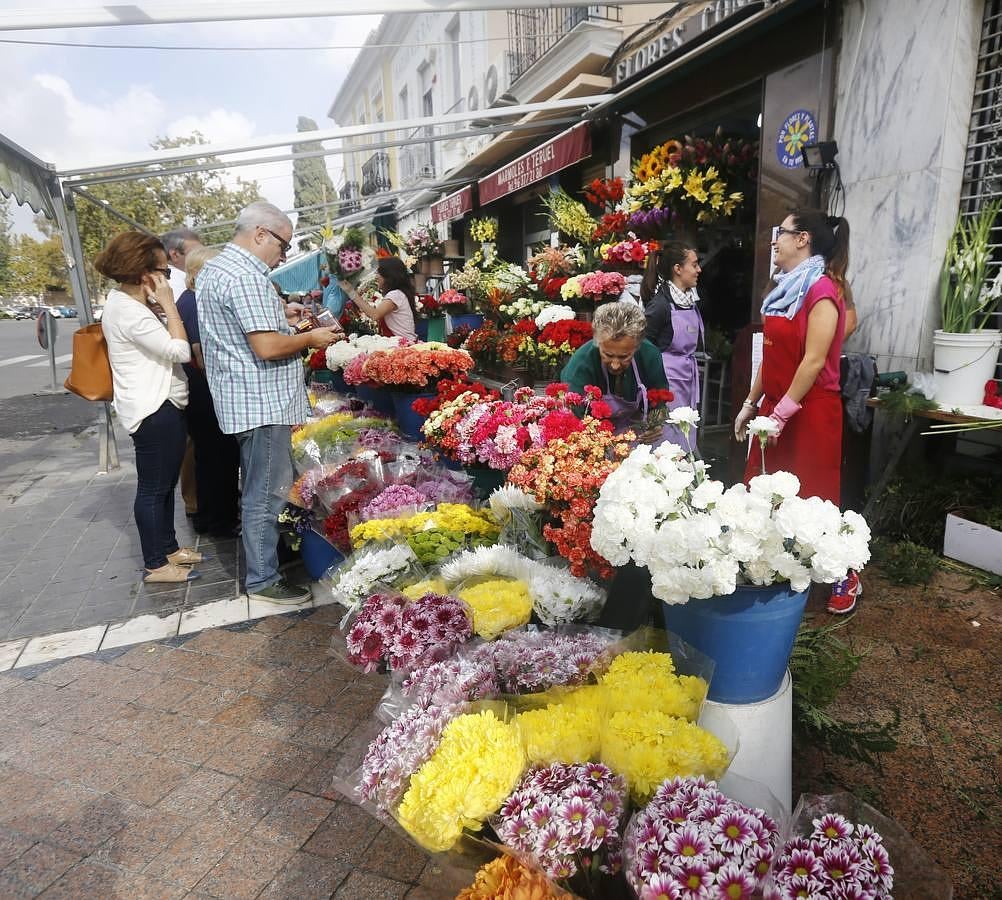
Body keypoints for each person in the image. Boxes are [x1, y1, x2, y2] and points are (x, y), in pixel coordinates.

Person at [197, 201, 342, 604]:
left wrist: (283, 316)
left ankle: (268, 559)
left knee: (262, 485)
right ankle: (263, 579)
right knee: (266, 491)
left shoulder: (218, 268)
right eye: (283, 244)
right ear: (260, 233)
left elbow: (248, 331)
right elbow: (266, 346)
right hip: (262, 402)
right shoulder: (245, 277)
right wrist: (309, 339)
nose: (284, 254)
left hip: (244, 399)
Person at [732, 208, 861, 613]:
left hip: (810, 414)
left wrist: (782, 414)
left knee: (815, 499)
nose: (775, 241)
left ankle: (846, 572)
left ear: (803, 238)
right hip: (773, 408)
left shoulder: (822, 291)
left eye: (781, 233)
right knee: (764, 492)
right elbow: (770, 358)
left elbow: (814, 361)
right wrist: (751, 404)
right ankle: (777, 567)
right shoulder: (784, 289)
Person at [95, 231, 202, 584]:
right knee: (153, 489)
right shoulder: (130, 312)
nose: (168, 277)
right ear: (146, 275)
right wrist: (170, 307)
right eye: (164, 271)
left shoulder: (128, 305)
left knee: (164, 483)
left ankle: (168, 548)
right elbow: (180, 352)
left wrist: (158, 309)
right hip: (154, 408)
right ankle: (156, 564)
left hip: (157, 404)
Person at [175, 246, 241, 539]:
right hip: (206, 393)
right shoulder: (194, 303)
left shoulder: (190, 300)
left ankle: (214, 515)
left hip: (201, 392)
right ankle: (218, 519)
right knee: (217, 457)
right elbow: (200, 355)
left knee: (212, 456)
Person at [561, 301, 670, 435]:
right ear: (597, 343)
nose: (615, 364)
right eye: (608, 355)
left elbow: (659, 399)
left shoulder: (650, 355)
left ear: (637, 346)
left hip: (636, 432)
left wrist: (656, 424)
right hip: (592, 435)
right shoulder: (581, 363)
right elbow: (574, 416)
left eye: (624, 356)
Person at [641, 241, 704, 448]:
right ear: (677, 269)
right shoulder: (660, 305)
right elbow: (642, 345)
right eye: (694, 265)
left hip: (686, 380)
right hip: (666, 385)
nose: (698, 270)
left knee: (684, 434)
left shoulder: (688, 301)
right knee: (668, 442)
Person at [162, 229, 205, 522]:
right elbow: (186, 349)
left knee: (201, 444)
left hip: (194, 372)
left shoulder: (185, 284)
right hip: (191, 374)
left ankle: (202, 497)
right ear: (175, 254)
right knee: (195, 443)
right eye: (193, 249)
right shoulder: (176, 286)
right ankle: (195, 501)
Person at [339, 256, 418, 340]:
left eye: (378, 273)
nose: (376, 277)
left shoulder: (395, 295)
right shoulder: (399, 293)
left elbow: (375, 315)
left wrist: (351, 292)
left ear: (388, 276)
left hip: (403, 345)